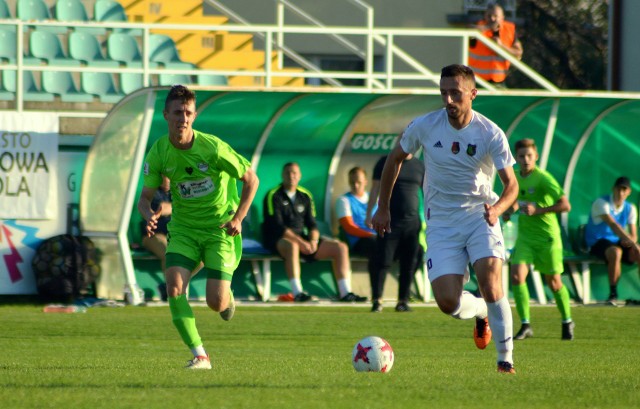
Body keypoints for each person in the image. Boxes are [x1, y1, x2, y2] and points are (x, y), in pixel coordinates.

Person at [371, 64, 519, 374]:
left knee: (491, 279)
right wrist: (382, 207)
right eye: (443, 93)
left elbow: (511, 186)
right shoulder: (425, 126)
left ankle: (505, 360)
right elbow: (393, 160)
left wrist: (498, 209)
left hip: (481, 217)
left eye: (455, 93)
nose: (448, 100)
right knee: (448, 303)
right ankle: (480, 312)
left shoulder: (490, 132)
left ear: (472, 94)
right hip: (441, 223)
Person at [137, 85, 259, 370]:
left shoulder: (212, 148)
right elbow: (144, 199)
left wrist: (238, 218)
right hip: (184, 230)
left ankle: (226, 300)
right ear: (166, 114)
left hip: (219, 229)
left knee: (215, 302)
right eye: (177, 112)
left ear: (194, 115)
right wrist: (149, 215)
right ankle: (200, 355)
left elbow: (251, 180)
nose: (183, 118)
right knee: (174, 287)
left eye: (188, 113)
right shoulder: (158, 152)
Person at [262, 162, 366, 303]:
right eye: (288, 173)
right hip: (278, 239)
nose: (291, 176)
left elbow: (312, 224)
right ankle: (297, 292)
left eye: (294, 173)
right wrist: (301, 242)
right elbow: (278, 226)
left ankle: (345, 292)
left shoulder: (305, 195)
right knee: (292, 245)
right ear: (282, 175)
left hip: (302, 239)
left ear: (299, 176)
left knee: (340, 248)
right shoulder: (273, 195)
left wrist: (313, 241)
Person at [504, 138, 574, 340]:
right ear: (515, 158)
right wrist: (509, 210)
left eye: (529, 155)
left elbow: (565, 205)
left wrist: (539, 210)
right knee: (517, 276)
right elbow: (515, 201)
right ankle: (525, 324)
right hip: (525, 237)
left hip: (547, 238)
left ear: (536, 157)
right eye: (521, 156)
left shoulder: (544, 178)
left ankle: (567, 320)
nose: (525, 159)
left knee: (553, 282)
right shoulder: (515, 176)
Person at [366, 154, 424, 313]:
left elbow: (427, 192)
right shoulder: (386, 162)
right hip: (389, 221)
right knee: (382, 260)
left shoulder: (419, 165)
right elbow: (375, 188)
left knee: (410, 262)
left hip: (412, 223)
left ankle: (403, 301)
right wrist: (369, 213)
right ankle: (377, 300)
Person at [585, 176, 640, 306]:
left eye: (624, 190)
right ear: (613, 189)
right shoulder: (601, 203)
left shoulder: (631, 208)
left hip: (618, 240)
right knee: (616, 252)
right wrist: (631, 243)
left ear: (629, 192)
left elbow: (633, 234)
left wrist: (633, 244)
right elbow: (614, 226)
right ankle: (613, 295)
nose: (620, 193)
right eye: (618, 189)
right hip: (597, 242)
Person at [468, 3, 523, 85]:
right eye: (489, 16)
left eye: (495, 16)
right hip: (477, 81)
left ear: (502, 18)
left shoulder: (509, 29)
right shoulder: (478, 28)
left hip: (499, 81)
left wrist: (501, 46)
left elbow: (518, 52)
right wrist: (489, 27)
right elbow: (469, 30)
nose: (492, 19)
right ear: (485, 16)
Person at [335, 166, 377, 257]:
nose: (355, 185)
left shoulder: (375, 199)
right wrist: (371, 235)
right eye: (352, 182)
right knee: (378, 245)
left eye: (359, 182)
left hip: (377, 238)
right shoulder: (343, 200)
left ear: (365, 182)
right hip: (358, 241)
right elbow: (349, 227)